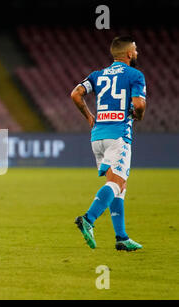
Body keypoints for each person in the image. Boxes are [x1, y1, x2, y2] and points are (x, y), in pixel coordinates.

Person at [70, 36, 146, 251]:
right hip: (118, 135)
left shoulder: (98, 75)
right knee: (117, 183)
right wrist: (138, 115)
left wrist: (88, 116)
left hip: (97, 137)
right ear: (129, 53)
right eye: (136, 49)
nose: (137, 53)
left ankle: (121, 238)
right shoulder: (135, 75)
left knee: (118, 186)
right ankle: (88, 218)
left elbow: (76, 94)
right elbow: (139, 104)